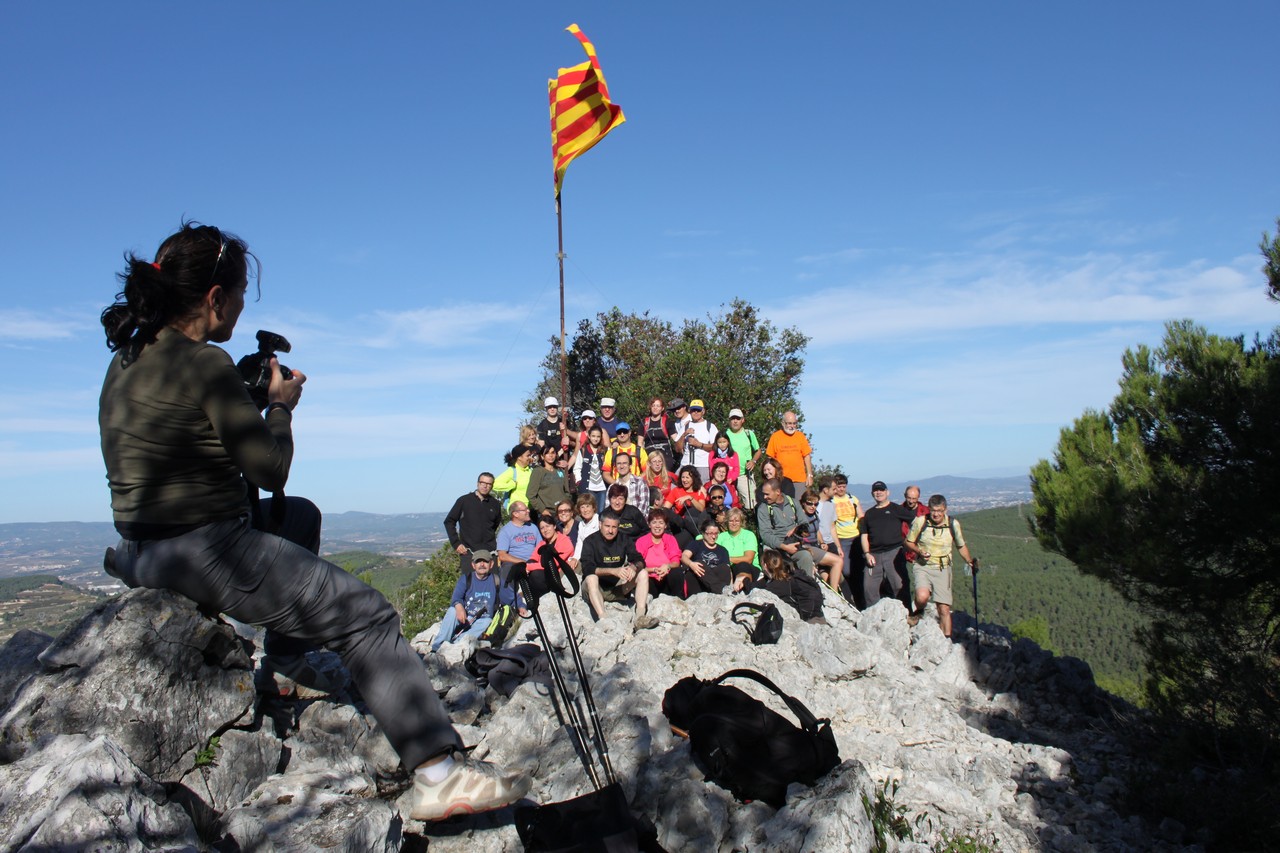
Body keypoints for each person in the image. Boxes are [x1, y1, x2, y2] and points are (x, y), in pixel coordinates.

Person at [97, 223, 525, 819]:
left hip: (139, 546)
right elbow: (269, 469)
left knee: (300, 518)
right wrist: (279, 407)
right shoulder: (205, 362)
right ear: (215, 297)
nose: (242, 306)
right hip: (204, 548)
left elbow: (192, 443)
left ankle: (286, 657)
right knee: (368, 616)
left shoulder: (128, 359)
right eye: (240, 294)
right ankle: (438, 772)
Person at [902, 495, 976, 638]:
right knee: (922, 597)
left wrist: (969, 561)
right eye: (933, 510)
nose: (936, 514)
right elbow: (908, 542)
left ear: (945, 510)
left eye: (939, 511)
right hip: (923, 566)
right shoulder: (921, 521)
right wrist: (919, 551)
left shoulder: (952, 524)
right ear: (929, 509)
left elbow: (960, 545)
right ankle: (918, 612)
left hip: (943, 568)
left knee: (944, 608)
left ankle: (946, 638)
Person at [579, 514, 658, 630]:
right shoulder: (590, 541)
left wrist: (633, 568)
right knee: (591, 577)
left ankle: (640, 617)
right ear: (600, 525)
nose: (610, 531)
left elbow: (640, 560)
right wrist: (612, 571)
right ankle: (604, 619)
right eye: (607, 526)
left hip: (616, 588)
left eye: (614, 527)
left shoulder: (624, 539)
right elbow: (587, 569)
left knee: (643, 573)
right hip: (595, 588)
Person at [430, 550, 515, 652]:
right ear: (473, 565)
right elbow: (456, 598)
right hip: (465, 616)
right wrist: (459, 606)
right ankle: (437, 647)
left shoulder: (496, 580)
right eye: (478, 561)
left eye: (485, 561)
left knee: (487, 621)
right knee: (452, 611)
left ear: (491, 564)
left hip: (483, 619)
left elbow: (510, 597)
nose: (482, 564)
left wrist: (522, 606)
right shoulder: (466, 579)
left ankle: (457, 645)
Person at [859, 481, 918, 610]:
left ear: (887, 492)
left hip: (894, 552)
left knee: (899, 585)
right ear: (872, 494)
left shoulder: (896, 509)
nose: (878, 492)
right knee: (869, 588)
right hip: (874, 554)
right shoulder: (869, 514)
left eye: (881, 490)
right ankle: (872, 614)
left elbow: (915, 522)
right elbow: (864, 535)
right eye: (876, 490)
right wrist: (867, 553)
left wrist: (911, 541)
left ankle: (906, 614)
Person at [443, 473, 503, 575]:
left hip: (490, 553)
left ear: (492, 486)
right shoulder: (464, 501)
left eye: (489, 484)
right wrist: (456, 543)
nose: (485, 486)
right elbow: (449, 521)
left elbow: (495, 524)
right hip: (469, 552)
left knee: (493, 582)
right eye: (482, 483)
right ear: (477, 483)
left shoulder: (495, 504)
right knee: (469, 583)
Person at [756, 478, 816, 578]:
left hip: (795, 546)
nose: (764, 497)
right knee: (776, 561)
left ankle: (807, 583)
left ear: (778, 492)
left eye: (767, 494)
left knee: (806, 556)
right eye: (764, 494)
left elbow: (805, 523)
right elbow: (765, 535)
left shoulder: (793, 503)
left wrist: (795, 529)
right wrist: (784, 547)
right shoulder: (763, 508)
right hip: (775, 548)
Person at [523, 511, 578, 602]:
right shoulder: (542, 543)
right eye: (542, 528)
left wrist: (528, 567)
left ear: (554, 526)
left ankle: (537, 599)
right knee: (530, 565)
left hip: (559, 574)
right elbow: (533, 558)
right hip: (544, 574)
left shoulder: (564, 541)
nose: (545, 530)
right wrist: (526, 566)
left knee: (535, 574)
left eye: (548, 526)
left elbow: (553, 563)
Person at [760, 549, 826, 623]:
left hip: (809, 621)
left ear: (765, 565)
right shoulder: (793, 574)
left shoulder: (777, 585)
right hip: (819, 615)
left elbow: (762, 592)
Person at [796, 490, 844, 589]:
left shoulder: (814, 515)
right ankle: (834, 592)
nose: (812, 506)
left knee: (833, 575)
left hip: (816, 546)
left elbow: (817, 531)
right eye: (809, 503)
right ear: (803, 503)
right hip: (807, 547)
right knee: (838, 561)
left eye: (816, 504)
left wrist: (822, 542)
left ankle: (832, 591)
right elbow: (797, 536)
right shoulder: (799, 517)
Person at [829, 474, 865, 604]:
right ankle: (849, 594)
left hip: (856, 537)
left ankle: (860, 597)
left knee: (859, 568)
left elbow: (861, 516)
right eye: (839, 487)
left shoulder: (852, 499)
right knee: (846, 570)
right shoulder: (831, 501)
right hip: (842, 538)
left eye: (844, 486)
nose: (841, 489)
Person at [764, 411, 813, 501]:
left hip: (799, 480)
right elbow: (770, 459)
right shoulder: (775, 437)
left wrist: (809, 475)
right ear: (783, 423)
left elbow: (807, 456)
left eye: (794, 423)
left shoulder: (800, 436)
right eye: (789, 423)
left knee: (799, 505)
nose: (792, 426)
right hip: (781, 480)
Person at [634, 508, 681, 595]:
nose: (657, 526)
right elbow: (637, 564)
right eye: (654, 522)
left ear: (665, 525)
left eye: (661, 523)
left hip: (666, 577)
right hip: (649, 578)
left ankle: (677, 598)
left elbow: (676, 562)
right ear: (649, 524)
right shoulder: (641, 541)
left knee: (676, 572)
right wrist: (654, 570)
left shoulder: (670, 539)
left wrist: (667, 566)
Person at [724, 408, 763, 511]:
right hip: (728, 476)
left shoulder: (749, 434)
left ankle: (751, 520)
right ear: (729, 420)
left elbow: (758, 451)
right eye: (733, 418)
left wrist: (753, 461)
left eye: (737, 418)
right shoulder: (724, 434)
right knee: (728, 504)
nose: (735, 421)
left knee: (752, 504)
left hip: (745, 475)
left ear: (743, 420)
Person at [496, 501, 539, 583]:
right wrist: (523, 562)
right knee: (507, 569)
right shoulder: (505, 531)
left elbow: (540, 547)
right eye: (525, 509)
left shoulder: (533, 527)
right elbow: (502, 556)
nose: (528, 511)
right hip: (516, 564)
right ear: (515, 514)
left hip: (534, 563)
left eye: (527, 509)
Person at [677, 399, 718, 483]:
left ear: (703, 411)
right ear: (689, 411)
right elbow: (677, 448)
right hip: (686, 464)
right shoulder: (686, 426)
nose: (695, 412)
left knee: (702, 488)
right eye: (693, 410)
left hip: (702, 465)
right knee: (674, 485)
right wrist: (684, 435)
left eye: (698, 410)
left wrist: (699, 444)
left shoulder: (710, 426)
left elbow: (716, 447)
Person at [572, 424, 609, 513]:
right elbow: (577, 468)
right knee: (589, 512)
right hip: (588, 487)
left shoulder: (605, 450)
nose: (595, 439)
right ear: (589, 436)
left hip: (602, 487)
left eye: (598, 436)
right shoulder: (583, 450)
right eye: (593, 436)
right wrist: (579, 481)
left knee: (601, 512)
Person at [527, 442, 571, 515]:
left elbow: (567, 492)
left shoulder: (560, 471)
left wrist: (567, 505)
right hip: (548, 513)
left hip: (563, 511)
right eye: (547, 453)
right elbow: (530, 494)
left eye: (553, 452)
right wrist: (542, 510)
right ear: (542, 456)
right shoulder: (538, 471)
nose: (551, 455)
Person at [638, 396, 679, 470]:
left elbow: (676, 439)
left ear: (662, 408)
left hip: (665, 457)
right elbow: (640, 443)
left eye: (658, 406)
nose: (655, 408)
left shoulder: (668, 422)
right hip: (649, 456)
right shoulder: (644, 423)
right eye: (653, 405)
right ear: (650, 407)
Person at [720, 507, 761, 578]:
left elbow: (748, 559)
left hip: (748, 568)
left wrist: (727, 559)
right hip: (727, 568)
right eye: (731, 521)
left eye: (737, 521)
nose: (734, 523)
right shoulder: (721, 536)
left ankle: (744, 584)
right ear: (727, 522)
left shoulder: (748, 535)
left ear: (741, 522)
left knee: (742, 565)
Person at [607, 450, 651, 514]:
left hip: (636, 519)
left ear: (630, 465)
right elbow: (608, 511)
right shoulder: (612, 487)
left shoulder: (640, 483)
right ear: (615, 466)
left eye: (625, 463)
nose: (621, 466)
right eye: (619, 463)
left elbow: (643, 510)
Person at [493, 444, 536, 509]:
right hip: (517, 510)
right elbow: (494, 485)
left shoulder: (531, 471)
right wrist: (511, 485)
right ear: (519, 457)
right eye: (528, 455)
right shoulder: (512, 471)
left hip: (531, 509)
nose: (530, 457)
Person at [571, 492, 600, 561]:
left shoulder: (599, 521)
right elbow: (580, 543)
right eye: (582, 507)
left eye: (587, 506)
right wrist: (575, 558)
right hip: (586, 557)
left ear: (593, 507)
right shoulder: (581, 524)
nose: (585, 510)